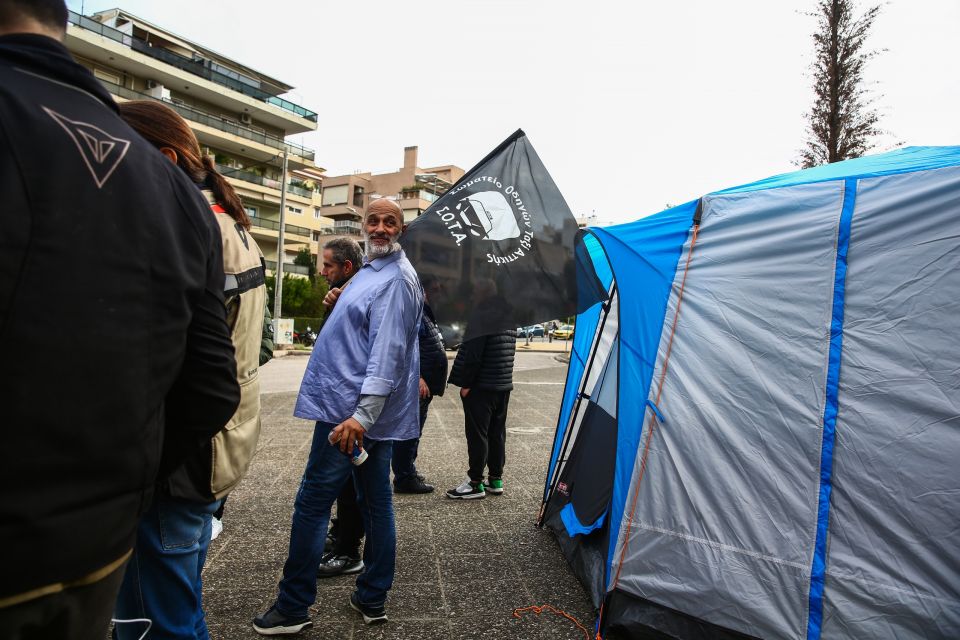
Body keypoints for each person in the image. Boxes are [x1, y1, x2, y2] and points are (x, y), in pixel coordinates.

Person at [0, 3, 240, 638]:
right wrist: (122, 473)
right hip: (98, 537)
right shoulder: (180, 200)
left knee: (171, 614)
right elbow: (212, 383)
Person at [114, 100, 269, 639]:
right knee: (171, 600)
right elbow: (253, 349)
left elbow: (190, 367)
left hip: (182, 457)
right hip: (219, 443)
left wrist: (153, 461)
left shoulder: (189, 228)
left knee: (164, 620)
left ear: (164, 158)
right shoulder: (231, 223)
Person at [254, 199, 423, 634]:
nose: (380, 227)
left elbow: (388, 355)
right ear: (364, 225)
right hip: (351, 411)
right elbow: (362, 330)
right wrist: (338, 302)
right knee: (374, 502)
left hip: (348, 417)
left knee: (312, 505)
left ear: (400, 228)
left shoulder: (398, 279)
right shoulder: (371, 271)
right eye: (373, 220)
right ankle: (371, 597)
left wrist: (362, 417)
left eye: (390, 221)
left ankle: (292, 608)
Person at [315, 237, 367, 579]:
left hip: (354, 410)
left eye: (328, 265)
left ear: (346, 267)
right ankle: (341, 537)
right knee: (344, 483)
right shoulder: (345, 293)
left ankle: (350, 550)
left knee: (351, 484)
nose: (322, 271)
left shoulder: (363, 293)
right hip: (338, 403)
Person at [446, 280, 518, 499]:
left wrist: (467, 384)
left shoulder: (481, 316)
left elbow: (474, 355)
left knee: (477, 435)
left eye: (475, 291)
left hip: (481, 386)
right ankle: (495, 478)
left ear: (484, 294)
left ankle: (475, 483)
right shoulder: (509, 315)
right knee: (497, 433)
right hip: (502, 384)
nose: (471, 296)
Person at [391, 275, 447, 494]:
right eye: (435, 290)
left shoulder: (424, 312)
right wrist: (418, 378)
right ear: (423, 291)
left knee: (415, 430)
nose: (438, 294)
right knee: (409, 431)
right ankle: (404, 477)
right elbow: (406, 347)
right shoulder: (414, 312)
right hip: (417, 384)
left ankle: (408, 470)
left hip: (424, 385)